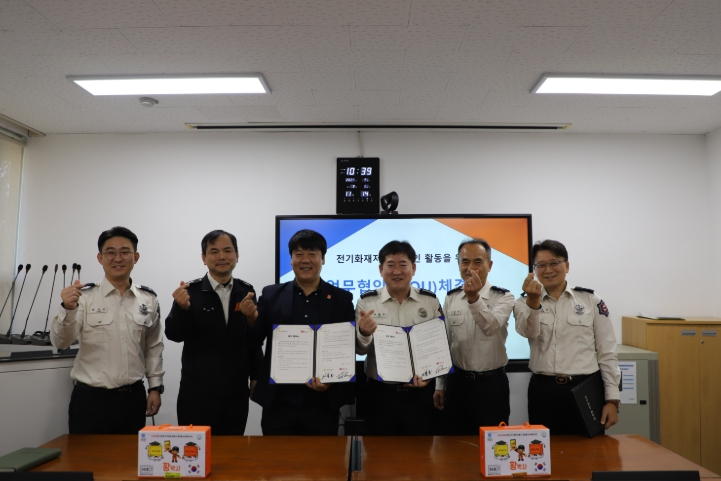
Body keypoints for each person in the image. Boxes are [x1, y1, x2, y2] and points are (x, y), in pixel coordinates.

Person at [51, 226, 164, 434]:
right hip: (90, 401)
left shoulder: (148, 299)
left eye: (125, 252)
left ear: (136, 257)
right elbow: (61, 342)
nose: (117, 258)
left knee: (131, 455)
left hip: (133, 399)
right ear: (100, 258)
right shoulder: (83, 297)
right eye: (110, 252)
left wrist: (155, 388)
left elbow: (153, 347)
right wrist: (68, 308)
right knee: (86, 455)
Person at [249, 229, 355, 435]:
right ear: (291, 260)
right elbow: (254, 340)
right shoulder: (271, 295)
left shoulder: (341, 299)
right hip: (279, 401)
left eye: (312, 254)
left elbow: (345, 348)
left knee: (321, 456)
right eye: (298, 254)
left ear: (323, 259)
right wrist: (250, 319)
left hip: (322, 402)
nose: (305, 260)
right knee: (275, 454)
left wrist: (332, 380)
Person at [514, 239, 620, 434]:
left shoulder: (591, 300)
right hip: (543, 390)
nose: (548, 270)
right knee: (543, 449)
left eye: (554, 263)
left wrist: (612, 400)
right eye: (541, 265)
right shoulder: (524, 301)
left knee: (590, 449)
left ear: (567, 266)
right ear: (534, 270)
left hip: (585, 388)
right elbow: (527, 332)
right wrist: (533, 303)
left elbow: (607, 352)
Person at [165, 229, 262, 435]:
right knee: (194, 450)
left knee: (232, 450)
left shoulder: (246, 291)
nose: (221, 256)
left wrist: (256, 376)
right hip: (197, 394)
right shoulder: (190, 291)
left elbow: (253, 341)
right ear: (204, 258)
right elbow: (174, 334)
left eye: (227, 251)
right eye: (214, 251)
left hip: (236, 393)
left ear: (237, 255)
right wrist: (181, 309)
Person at [356, 240, 443, 435]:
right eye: (390, 265)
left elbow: (439, 347)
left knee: (420, 450)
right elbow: (361, 350)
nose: (396, 271)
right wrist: (364, 333)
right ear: (381, 269)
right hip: (380, 395)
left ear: (413, 268)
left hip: (420, 393)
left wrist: (432, 381)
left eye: (403, 265)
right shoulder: (366, 302)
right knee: (378, 450)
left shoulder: (430, 301)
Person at [434, 239, 515, 434]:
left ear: (490, 265)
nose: (470, 268)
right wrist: (440, 385)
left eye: (478, 262)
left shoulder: (504, 297)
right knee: (455, 444)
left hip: (491, 385)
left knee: (495, 445)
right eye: (465, 262)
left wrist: (474, 299)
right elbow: (444, 343)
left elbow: (490, 327)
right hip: (457, 383)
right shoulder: (452, 297)